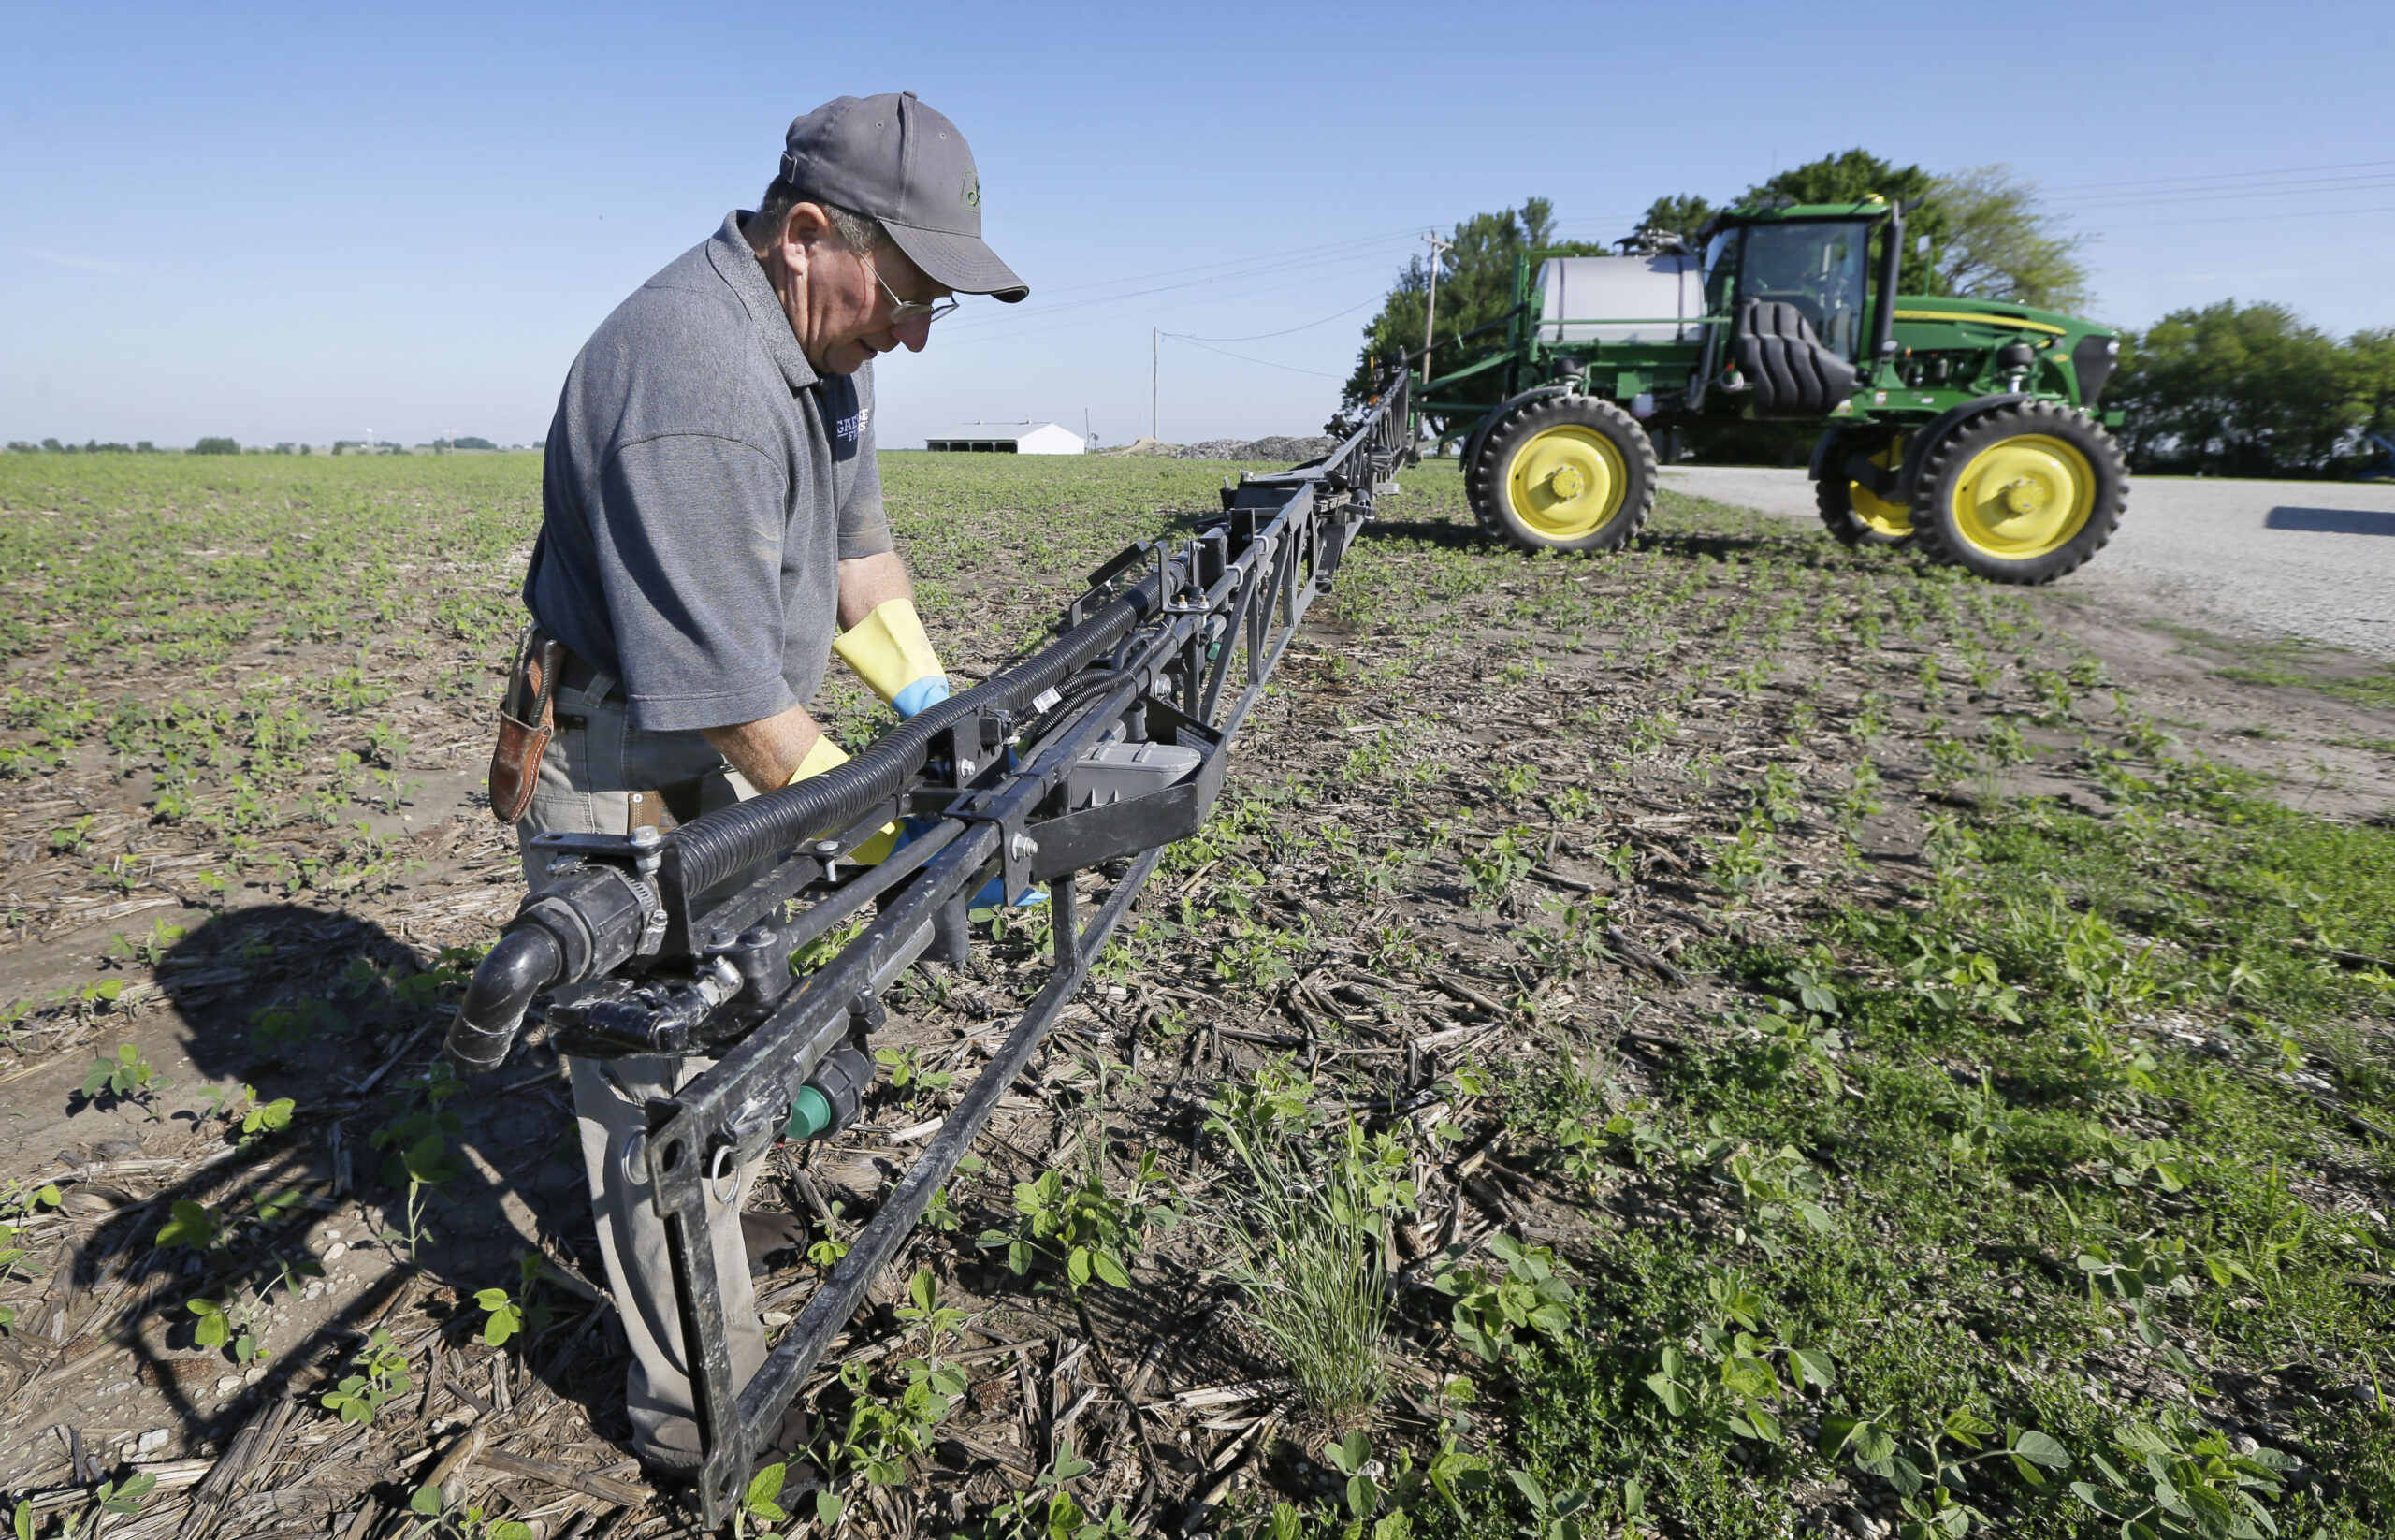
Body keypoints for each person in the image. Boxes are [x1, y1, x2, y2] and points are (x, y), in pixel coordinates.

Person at [507, 91, 1026, 1478]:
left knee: (743, 989)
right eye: (907, 295)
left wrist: (932, 716)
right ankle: (706, 1416)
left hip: (731, 716)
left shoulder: (827, 342)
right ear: (806, 235)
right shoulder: (693, 387)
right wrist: (897, 845)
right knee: (651, 1069)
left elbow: (856, 556)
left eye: (935, 305)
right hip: (626, 745)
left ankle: (718, 1230)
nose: (915, 333)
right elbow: (738, 704)